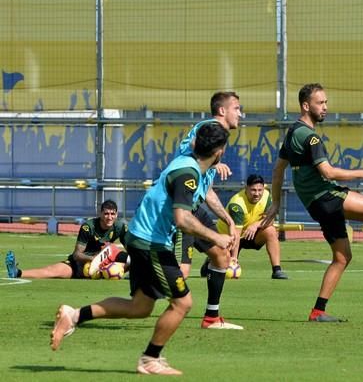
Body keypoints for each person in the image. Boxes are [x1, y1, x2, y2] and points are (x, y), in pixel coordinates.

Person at [49, 122, 235, 376]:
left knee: (140, 307)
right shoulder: (188, 175)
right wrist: (217, 236)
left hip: (142, 237)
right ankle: (150, 358)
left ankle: (74, 315)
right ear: (220, 151)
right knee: (182, 303)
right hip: (152, 243)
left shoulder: (188, 163)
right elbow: (182, 219)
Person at [262, 83, 363, 323]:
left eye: (325, 102)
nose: (325, 107)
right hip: (327, 196)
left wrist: (275, 203)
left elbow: (277, 170)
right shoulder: (311, 138)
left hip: (316, 205)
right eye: (320, 103)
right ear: (306, 105)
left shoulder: (292, 132)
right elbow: (329, 173)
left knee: (342, 258)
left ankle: (318, 311)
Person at [175, 91, 244, 329]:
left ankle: (211, 317)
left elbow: (208, 192)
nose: (240, 114)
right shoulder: (208, 127)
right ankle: (137, 266)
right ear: (222, 111)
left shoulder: (218, 138)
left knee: (221, 256)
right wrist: (212, 157)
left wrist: (228, 219)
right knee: (181, 270)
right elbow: (189, 146)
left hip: (196, 207)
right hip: (181, 209)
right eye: (237, 108)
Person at [5, 200, 128, 279]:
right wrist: (96, 259)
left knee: (129, 257)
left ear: (117, 215)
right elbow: (77, 255)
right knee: (51, 272)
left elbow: (131, 249)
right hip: (81, 265)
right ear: (100, 214)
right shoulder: (88, 227)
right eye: (106, 214)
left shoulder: (120, 226)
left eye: (112, 214)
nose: (109, 217)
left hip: (104, 267)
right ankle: (17, 273)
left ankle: (139, 275)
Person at [211, 174, 288, 280]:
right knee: (217, 268)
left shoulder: (266, 196)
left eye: (260, 190)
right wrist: (233, 258)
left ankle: (277, 270)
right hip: (229, 238)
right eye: (253, 190)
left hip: (249, 234)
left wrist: (255, 225)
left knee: (271, 231)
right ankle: (210, 262)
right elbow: (236, 234)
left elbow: (270, 221)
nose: (257, 194)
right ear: (246, 188)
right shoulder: (237, 204)